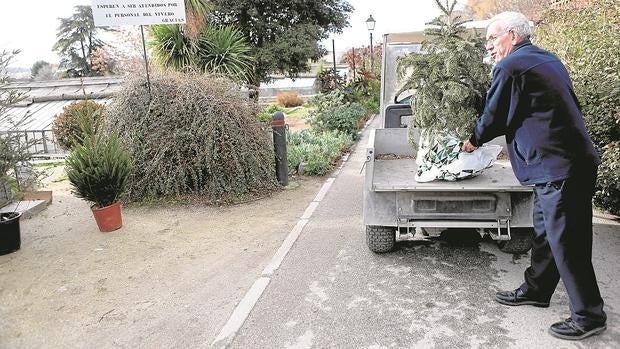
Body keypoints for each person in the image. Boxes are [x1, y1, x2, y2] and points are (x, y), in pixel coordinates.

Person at [461, 11, 607, 340]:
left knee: (569, 242)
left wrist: (473, 140)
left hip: (560, 167)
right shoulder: (545, 59)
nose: (489, 47)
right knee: (545, 232)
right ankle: (537, 289)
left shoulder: (510, 66)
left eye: (492, 38)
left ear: (512, 35)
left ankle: (589, 314)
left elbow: (494, 115)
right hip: (559, 165)